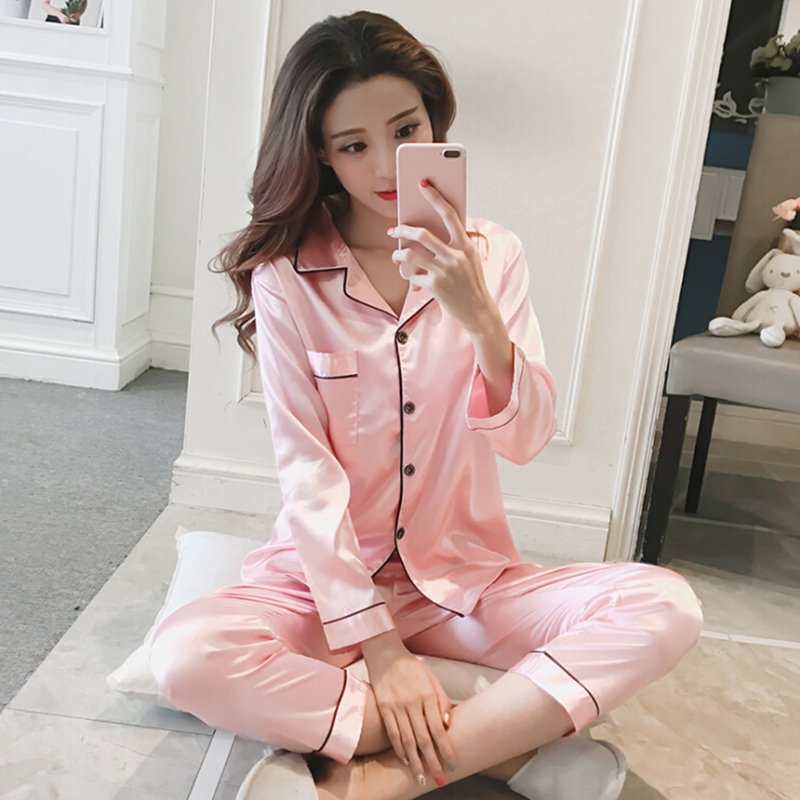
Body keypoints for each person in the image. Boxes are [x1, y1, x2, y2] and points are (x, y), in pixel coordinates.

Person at [149, 10, 704, 800]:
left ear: (434, 120)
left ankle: (382, 775)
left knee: (664, 605)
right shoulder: (286, 277)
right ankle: (501, 743)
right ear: (319, 153)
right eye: (353, 145)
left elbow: (526, 439)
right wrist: (380, 651)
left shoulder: (493, 255)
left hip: (463, 582)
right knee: (188, 655)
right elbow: (308, 477)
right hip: (321, 586)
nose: (386, 163)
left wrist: (478, 314)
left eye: (406, 130)